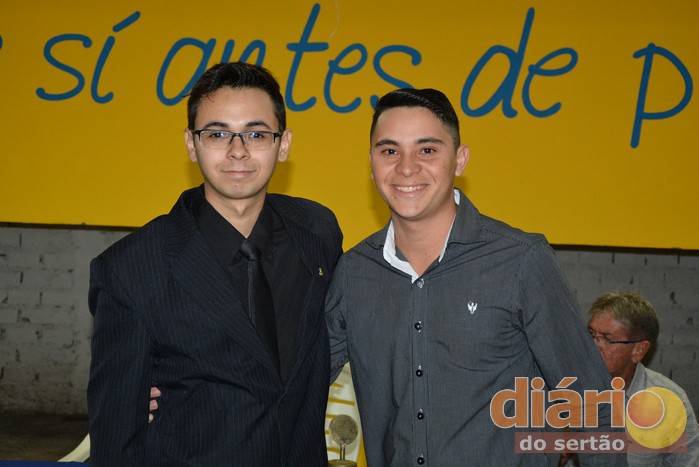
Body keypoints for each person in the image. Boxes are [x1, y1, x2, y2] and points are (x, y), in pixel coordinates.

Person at [325, 88, 624, 466]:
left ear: (460, 160)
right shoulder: (354, 273)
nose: (406, 167)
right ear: (371, 163)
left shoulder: (520, 261)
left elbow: (593, 404)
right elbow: (295, 387)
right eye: (389, 151)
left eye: (427, 150)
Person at [87, 62, 343, 466]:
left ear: (284, 144)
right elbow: (117, 437)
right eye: (218, 133)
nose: (238, 150)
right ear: (192, 144)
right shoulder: (130, 269)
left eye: (256, 134)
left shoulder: (317, 231)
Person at [587, 291, 699, 466]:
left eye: (608, 339)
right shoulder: (563, 388)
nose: (593, 346)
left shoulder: (670, 402)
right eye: (592, 335)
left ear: (638, 351)